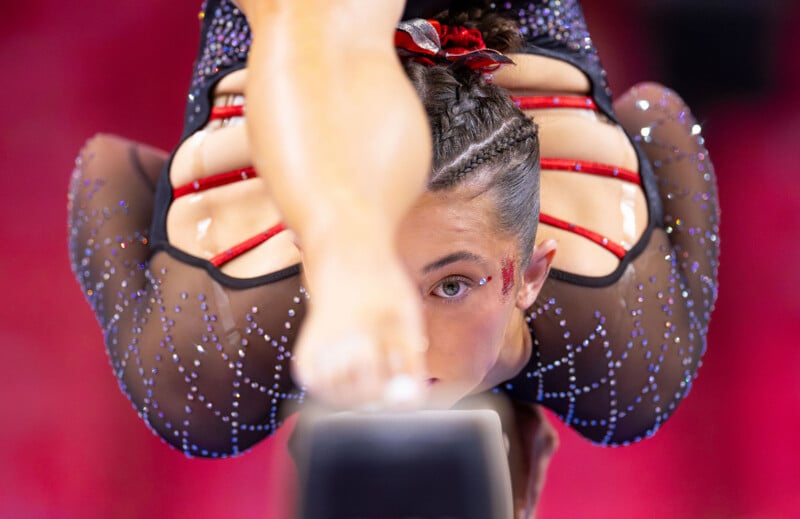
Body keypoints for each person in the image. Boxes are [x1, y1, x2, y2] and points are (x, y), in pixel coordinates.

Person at [68, 0, 718, 515]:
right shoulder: (621, 352)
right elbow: (657, 115)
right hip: (516, 27)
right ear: (531, 274)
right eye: (453, 284)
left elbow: (106, 165)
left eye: (449, 286)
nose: (409, 342)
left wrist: (319, 231)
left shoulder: (212, 363)